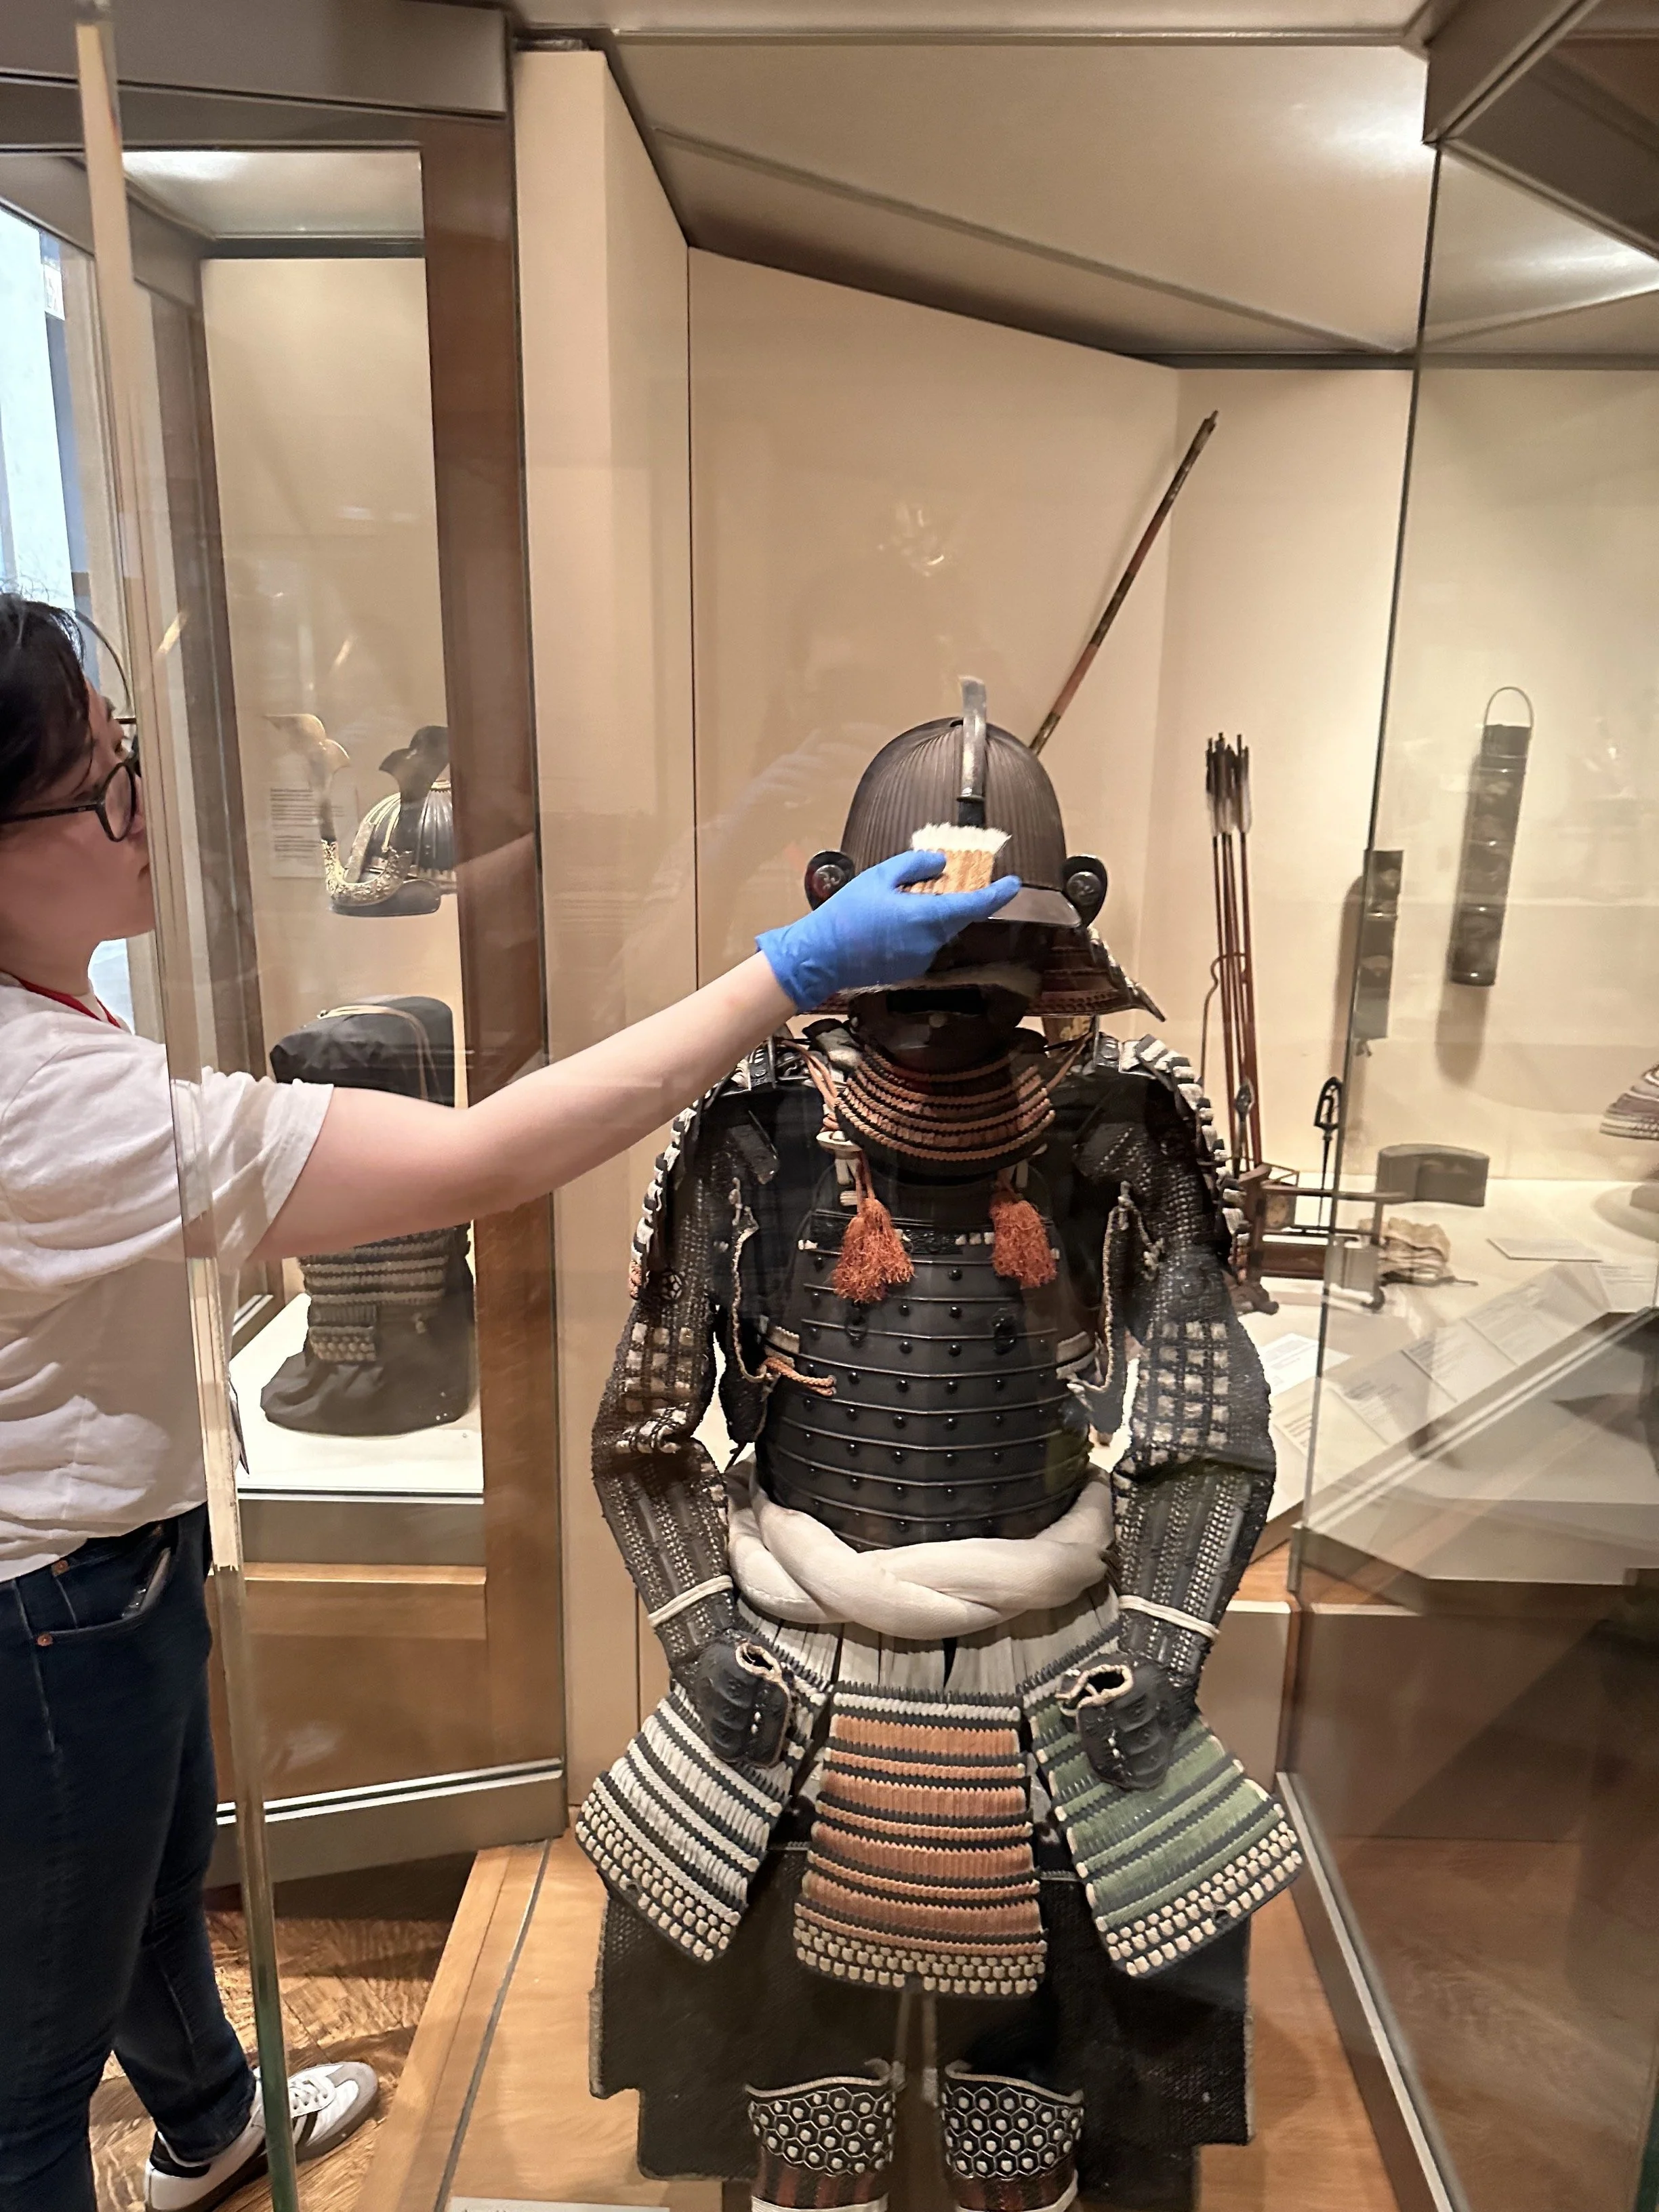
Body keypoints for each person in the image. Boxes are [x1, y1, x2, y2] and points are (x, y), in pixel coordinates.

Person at [0, 592, 1019, 2212]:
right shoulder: (39, 1097)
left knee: (138, 1889)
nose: (141, 803)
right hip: (52, 1606)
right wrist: (786, 976)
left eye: (126, 760)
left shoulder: (49, 1016)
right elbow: (584, 1313)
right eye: (101, 781)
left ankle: (211, 2117)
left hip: (114, 1560)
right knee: (28, 2068)